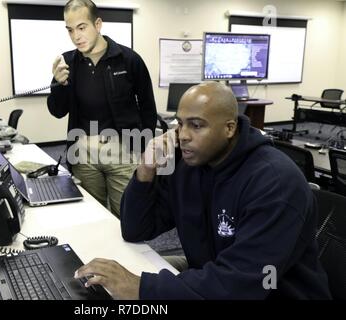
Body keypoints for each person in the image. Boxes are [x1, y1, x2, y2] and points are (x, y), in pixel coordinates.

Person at [74, 82, 332, 299]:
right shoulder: (186, 163)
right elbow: (135, 229)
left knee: (132, 287)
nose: (183, 135)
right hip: (211, 272)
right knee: (103, 285)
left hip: (270, 293)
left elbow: (241, 285)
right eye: (179, 124)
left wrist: (139, 287)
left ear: (229, 128)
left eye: (196, 125)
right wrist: (145, 169)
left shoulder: (274, 182)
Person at [47, 0, 157, 217]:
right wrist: (58, 85)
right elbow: (57, 111)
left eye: (81, 27)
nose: (76, 36)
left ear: (97, 24)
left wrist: (143, 149)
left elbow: (147, 107)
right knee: (91, 215)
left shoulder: (128, 59)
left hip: (123, 150)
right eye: (70, 30)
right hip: (84, 152)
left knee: (126, 216)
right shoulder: (67, 62)